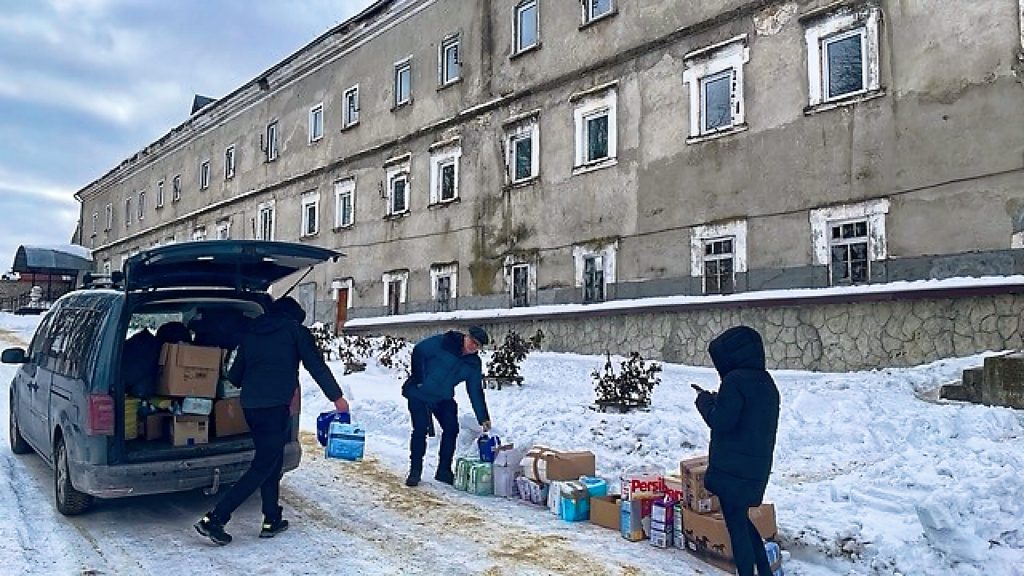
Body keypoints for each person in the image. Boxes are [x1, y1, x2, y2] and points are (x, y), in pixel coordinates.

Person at [194, 296, 349, 546]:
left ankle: (271, 518)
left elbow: (235, 377)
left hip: (251, 406)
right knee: (263, 464)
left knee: (272, 462)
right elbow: (316, 366)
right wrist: (337, 398)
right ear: (293, 317)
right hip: (275, 407)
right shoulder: (294, 332)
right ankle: (215, 518)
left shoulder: (251, 333)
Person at [694, 325, 780, 576]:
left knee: (737, 528)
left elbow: (721, 421)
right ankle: (764, 570)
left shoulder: (735, 381)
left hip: (733, 469)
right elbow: (747, 419)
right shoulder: (765, 381)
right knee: (741, 520)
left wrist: (704, 402)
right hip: (754, 467)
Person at [402, 326, 492, 487]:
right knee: (420, 429)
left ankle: (443, 470)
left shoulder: (473, 363)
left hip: (443, 397)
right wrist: (419, 378)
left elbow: (475, 390)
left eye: (477, 345)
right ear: (466, 336)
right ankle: (415, 471)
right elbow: (419, 350)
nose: (473, 346)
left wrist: (483, 416)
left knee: (451, 429)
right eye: (472, 341)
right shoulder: (444, 342)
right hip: (419, 393)